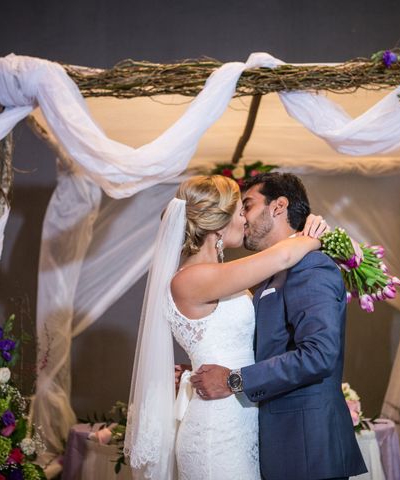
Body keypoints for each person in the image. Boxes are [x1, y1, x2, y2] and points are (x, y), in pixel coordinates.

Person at [124, 174, 328, 480]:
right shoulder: (191, 278)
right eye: (240, 210)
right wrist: (317, 235)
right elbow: (284, 255)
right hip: (216, 431)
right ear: (219, 224)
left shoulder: (219, 275)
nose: (245, 219)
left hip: (240, 416)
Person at [191, 172, 367, 480]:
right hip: (280, 445)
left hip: (306, 449)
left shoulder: (311, 266)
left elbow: (318, 354)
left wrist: (233, 380)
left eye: (247, 205)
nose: (242, 217)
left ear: (278, 206)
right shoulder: (273, 273)